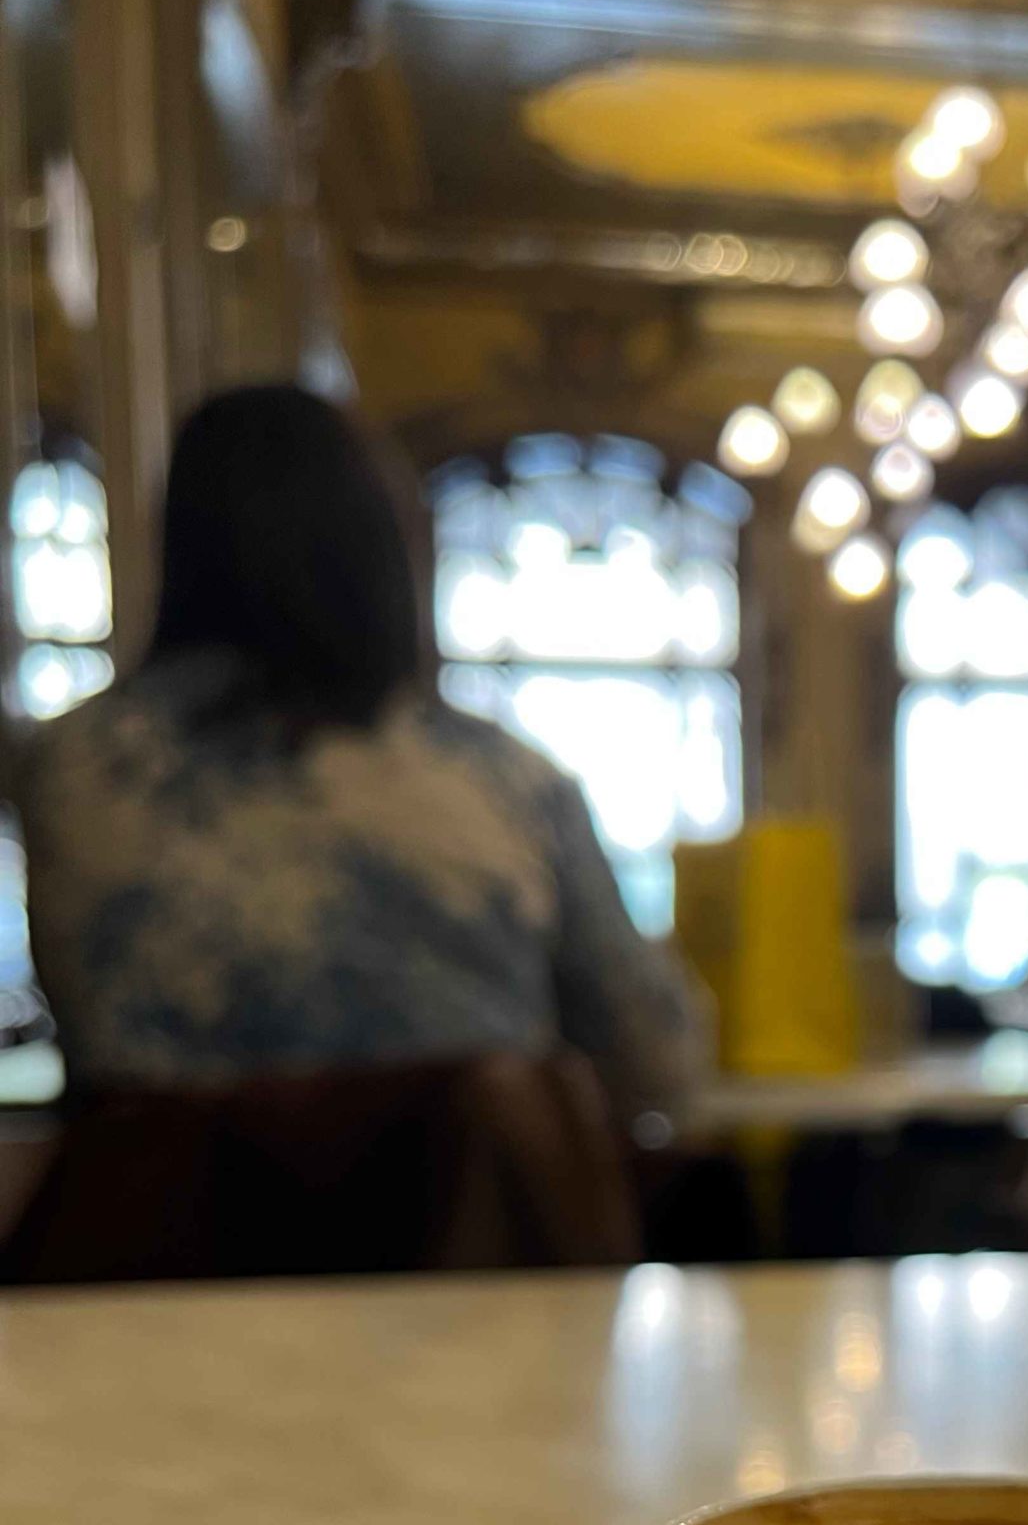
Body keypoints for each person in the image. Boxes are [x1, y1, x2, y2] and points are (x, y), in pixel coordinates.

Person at [12, 385, 708, 1125]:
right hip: (457, 1201)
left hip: (158, 1202)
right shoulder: (503, 783)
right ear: (385, 551)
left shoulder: (68, 771)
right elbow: (659, 1064)